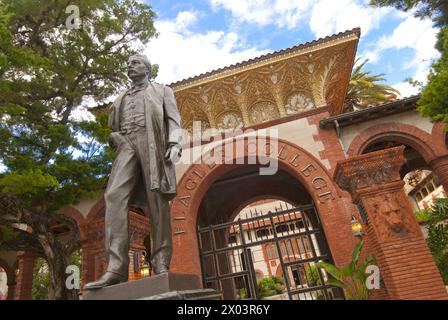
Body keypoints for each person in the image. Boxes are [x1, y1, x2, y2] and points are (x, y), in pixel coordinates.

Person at [84, 54, 182, 290]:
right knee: (113, 196)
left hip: (153, 145)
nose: (130, 66)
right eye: (128, 64)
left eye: (135, 63)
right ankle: (116, 269)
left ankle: (160, 261)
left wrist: (175, 144)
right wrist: (113, 137)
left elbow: (175, 121)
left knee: (156, 202)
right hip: (127, 145)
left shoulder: (162, 91)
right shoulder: (119, 99)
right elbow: (111, 130)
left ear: (147, 69)